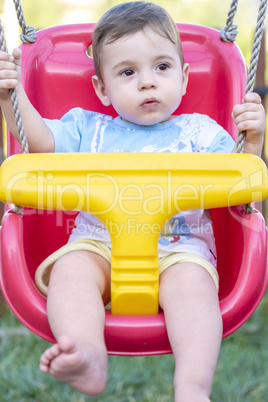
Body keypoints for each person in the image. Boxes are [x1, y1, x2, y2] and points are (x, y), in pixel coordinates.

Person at [0, 1, 265, 400]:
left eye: (162, 67)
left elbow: (239, 180)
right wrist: (10, 96)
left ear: (185, 76)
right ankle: (87, 354)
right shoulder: (88, 129)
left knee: (194, 290)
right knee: (71, 274)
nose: (147, 82)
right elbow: (40, 143)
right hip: (98, 245)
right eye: (128, 72)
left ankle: (193, 388)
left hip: (180, 250)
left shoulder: (201, 134)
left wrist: (254, 140)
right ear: (102, 90)